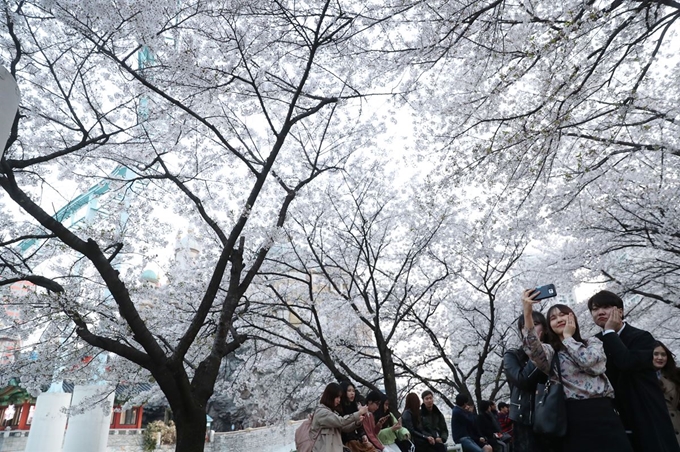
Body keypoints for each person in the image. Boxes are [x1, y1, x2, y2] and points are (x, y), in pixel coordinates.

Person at [521, 289, 632, 452]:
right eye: (553, 318)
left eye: (563, 314)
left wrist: (568, 339)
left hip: (605, 412)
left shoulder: (592, 342)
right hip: (574, 416)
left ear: (573, 317)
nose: (559, 319)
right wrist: (527, 312)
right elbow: (531, 346)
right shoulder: (551, 352)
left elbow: (591, 364)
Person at [589, 290, 680, 452]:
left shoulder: (642, 338)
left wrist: (610, 332)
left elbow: (627, 362)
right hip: (615, 417)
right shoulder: (594, 342)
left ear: (620, 311)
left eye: (606, 307)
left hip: (646, 414)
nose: (600, 312)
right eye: (595, 309)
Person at [503, 311, 555, 452]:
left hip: (556, 416)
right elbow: (523, 380)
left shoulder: (554, 351)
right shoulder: (513, 355)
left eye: (535, 324)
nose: (529, 328)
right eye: (525, 326)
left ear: (544, 328)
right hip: (526, 419)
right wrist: (536, 351)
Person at [311, 382, 369, 452]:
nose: (339, 400)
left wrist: (356, 423)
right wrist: (359, 413)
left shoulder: (331, 412)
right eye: (337, 397)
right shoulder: (322, 413)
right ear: (330, 396)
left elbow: (344, 427)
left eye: (340, 397)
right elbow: (341, 421)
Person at [654, 341, 680, 445]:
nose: (660, 358)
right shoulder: (642, 379)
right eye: (656, 354)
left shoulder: (676, 375)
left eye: (663, 354)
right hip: (661, 429)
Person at [340, 381, 376, 452]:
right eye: (349, 391)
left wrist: (363, 435)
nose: (352, 393)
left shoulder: (354, 406)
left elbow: (359, 425)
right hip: (346, 441)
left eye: (353, 391)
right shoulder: (340, 408)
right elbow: (343, 425)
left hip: (357, 439)